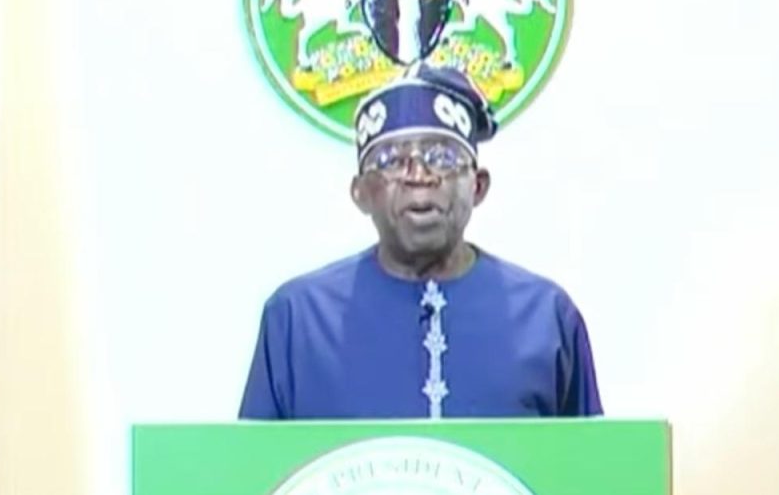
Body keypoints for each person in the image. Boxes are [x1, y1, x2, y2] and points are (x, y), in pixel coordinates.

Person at [238, 62, 603, 420]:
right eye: (391, 161)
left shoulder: (547, 318)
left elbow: (590, 458)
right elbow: (255, 460)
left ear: (478, 186)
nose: (419, 176)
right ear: (360, 192)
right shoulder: (297, 320)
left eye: (442, 158)